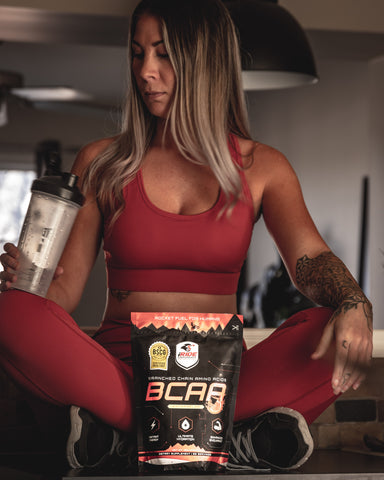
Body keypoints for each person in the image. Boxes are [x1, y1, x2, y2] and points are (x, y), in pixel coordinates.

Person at [0, 0, 373, 472]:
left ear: (204, 62)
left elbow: (310, 259)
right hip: (122, 376)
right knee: (10, 311)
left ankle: (121, 441)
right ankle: (220, 440)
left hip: (220, 383)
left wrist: (353, 301)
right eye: (137, 54)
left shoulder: (263, 167)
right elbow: (64, 292)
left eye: (164, 54)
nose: (145, 71)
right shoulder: (101, 162)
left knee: (329, 325)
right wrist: (24, 287)